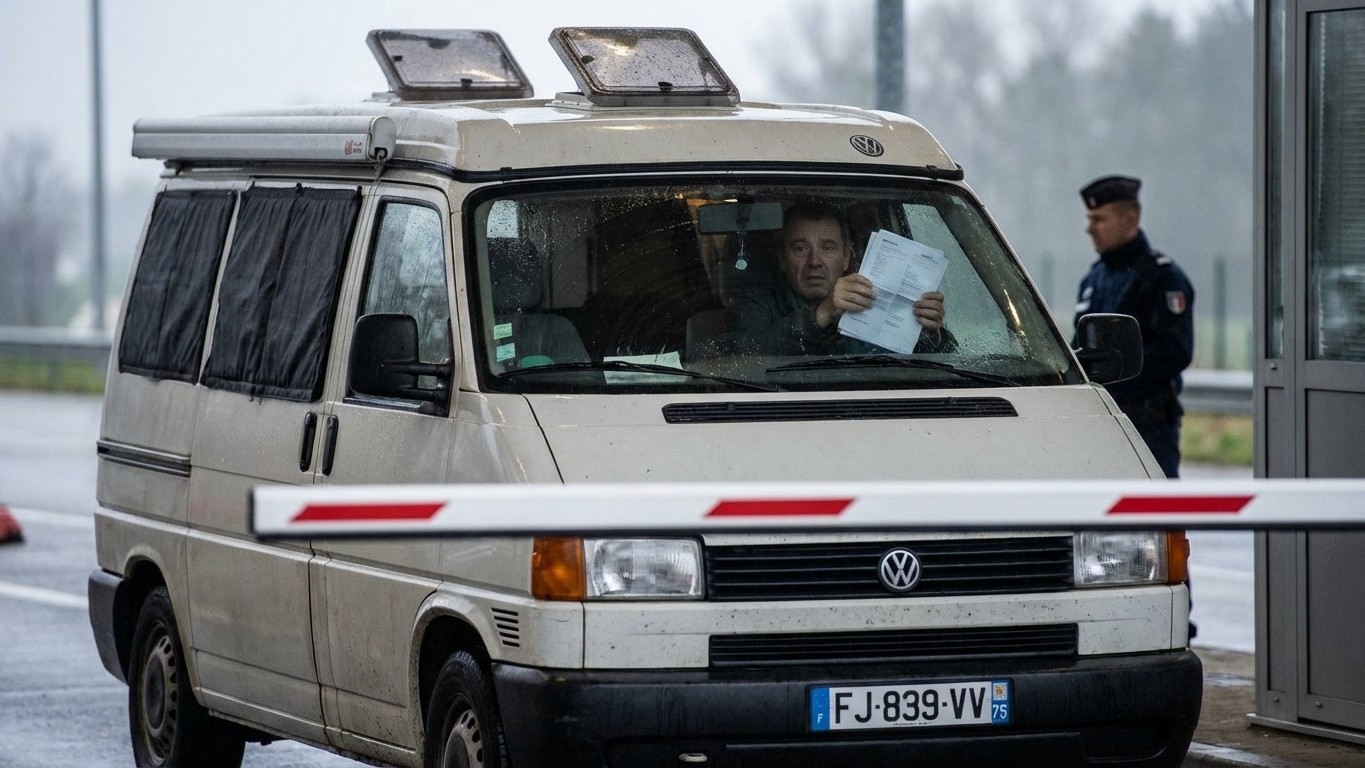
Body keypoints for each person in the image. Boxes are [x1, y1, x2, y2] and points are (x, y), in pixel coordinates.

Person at [1074, 175, 1194, 478]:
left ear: (1129, 220)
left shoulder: (1162, 277)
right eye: (1090, 219)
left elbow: (1174, 351)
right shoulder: (1094, 279)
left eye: (1099, 219)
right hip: (1098, 419)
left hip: (1147, 424)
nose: (1089, 228)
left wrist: (1116, 372)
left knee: (1155, 515)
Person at [730, 203, 953, 355]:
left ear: (846, 257)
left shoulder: (874, 298)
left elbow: (943, 365)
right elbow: (749, 354)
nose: (814, 261)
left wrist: (929, 332)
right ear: (782, 258)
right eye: (800, 248)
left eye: (827, 248)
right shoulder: (757, 303)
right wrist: (824, 313)